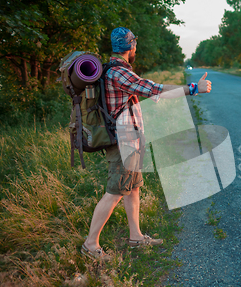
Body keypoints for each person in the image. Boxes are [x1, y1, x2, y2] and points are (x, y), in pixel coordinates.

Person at [81, 27, 212, 261]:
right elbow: (155, 90)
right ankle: (90, 245)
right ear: (131, 46)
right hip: (124, 141)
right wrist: (193, 89)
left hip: (131, 139)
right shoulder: (119, 73)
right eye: (135, 45)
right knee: (114, 192)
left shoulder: (114, 70)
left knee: (132, 188)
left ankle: (136, 237)